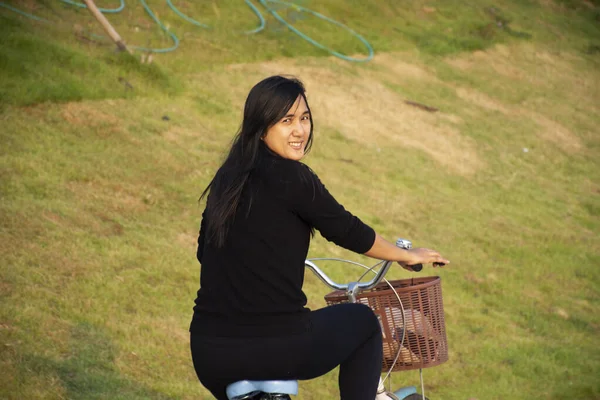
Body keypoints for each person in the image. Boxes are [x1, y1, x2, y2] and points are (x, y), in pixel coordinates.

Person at [189, 75, 449, 400]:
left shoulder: (227, 179)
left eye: (304, 118)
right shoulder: (292, 177)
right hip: (275, 347)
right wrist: (404, 254)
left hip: (210, 353)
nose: (300, 130)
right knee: (364, 323)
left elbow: (205, 251)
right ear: (261, 127)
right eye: (287, 121)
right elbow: (346, 229)